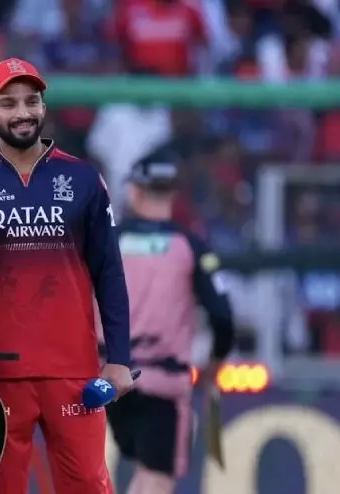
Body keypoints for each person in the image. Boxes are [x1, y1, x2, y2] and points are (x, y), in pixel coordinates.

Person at [0, 58, 133, 494]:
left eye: (32, 101)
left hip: (73, 370)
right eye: (9, 104)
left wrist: (119, 356)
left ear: (44, 108)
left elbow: (109, 271)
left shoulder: (83, 179)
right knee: (0, 488)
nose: (23, 112)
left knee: (87, 484)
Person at [105, 154, 235, 494]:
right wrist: (214, 366)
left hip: (109, 378)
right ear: (173, 194)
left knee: (141, 474)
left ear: (135, 192)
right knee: (157, 478)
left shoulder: (107, 242)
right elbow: (223, 316)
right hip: (162, 380)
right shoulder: (191, 247)